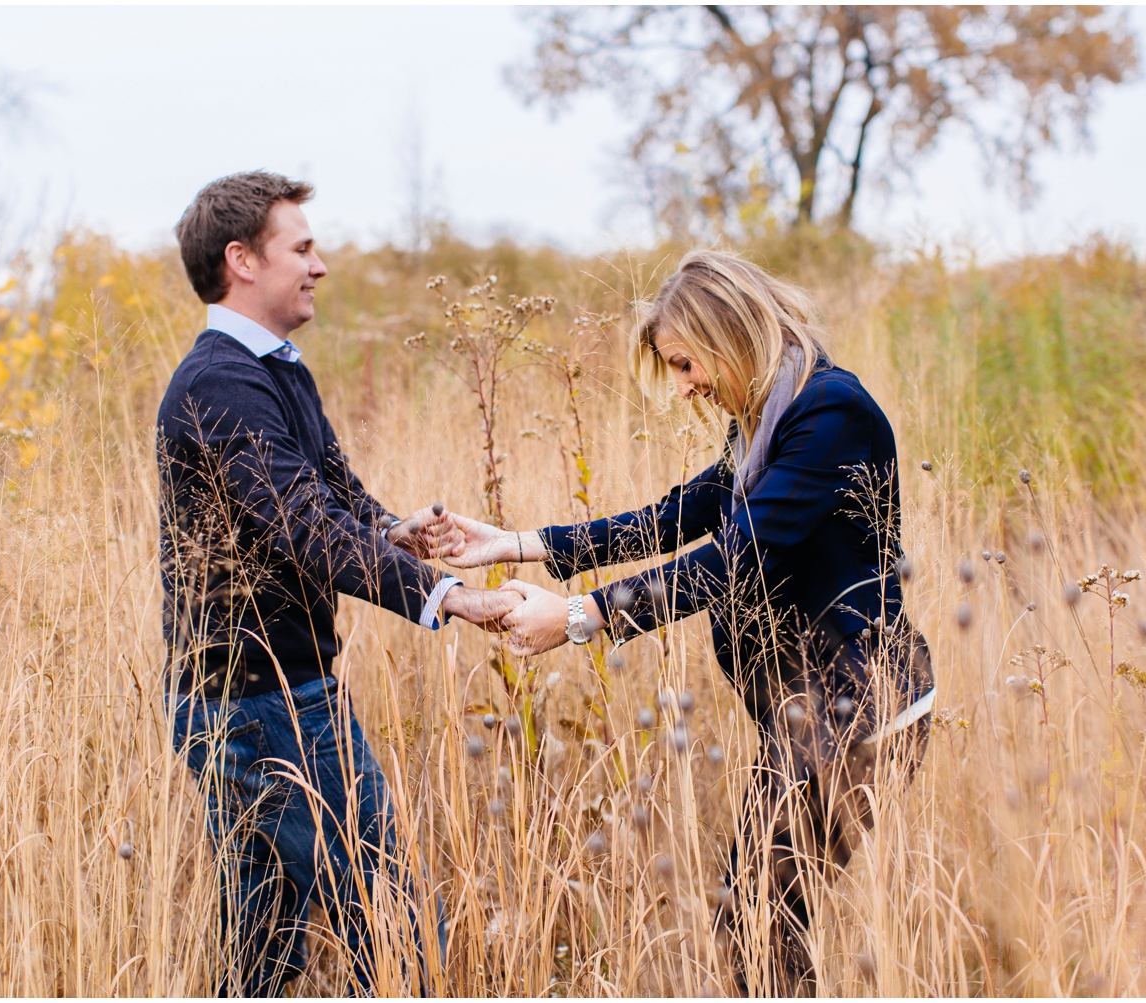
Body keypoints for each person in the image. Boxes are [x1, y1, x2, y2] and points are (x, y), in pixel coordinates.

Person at [437, 249, 935, 992]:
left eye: (684, 364)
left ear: (729, 331)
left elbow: (735, 557)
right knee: (762, 917)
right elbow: (680, 513)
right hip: (811, 705)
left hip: (862, 700)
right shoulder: (768, 418)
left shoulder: (830, 412)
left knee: (760, 918)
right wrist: (519, 544)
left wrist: (581, 616)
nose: (684, 388)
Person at [157, 171, 517, 996]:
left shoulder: (276, 369)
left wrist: (398, 530)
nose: (319, 265)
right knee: (386, 926)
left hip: (258, 696)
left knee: (265, 947)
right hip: (261, 701)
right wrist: (449, 597)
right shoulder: (219, 382)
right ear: (242, 260)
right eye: (303, 247)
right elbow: (303, 527)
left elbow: (332, 497)